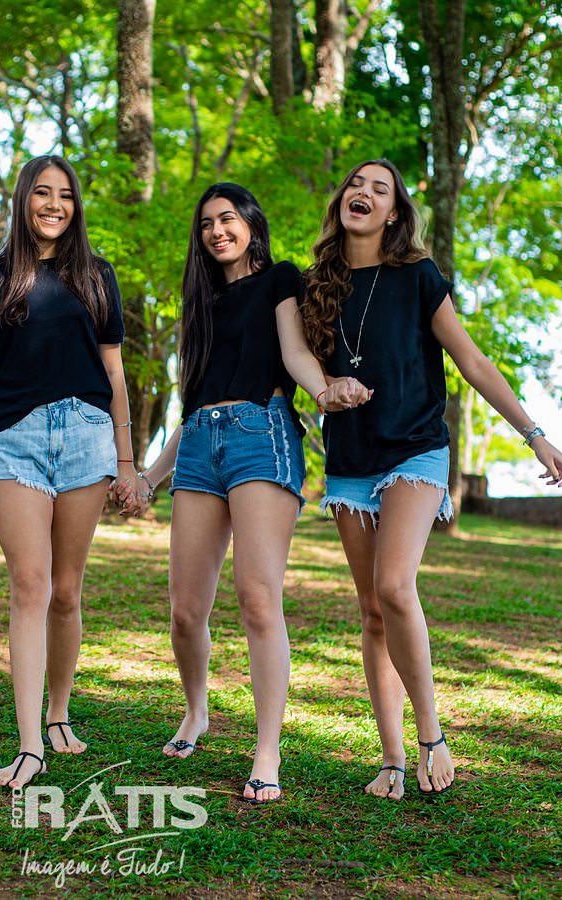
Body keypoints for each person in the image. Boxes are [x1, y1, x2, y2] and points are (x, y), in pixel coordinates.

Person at [299, 159, 562, 799]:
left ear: (394, 212)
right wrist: (328, 389)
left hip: (416, 450)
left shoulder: (418, 276)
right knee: (372, 612)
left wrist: (534, 434)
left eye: (379, 189)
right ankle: (392, 757)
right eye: (355, 184)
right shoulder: (316, 285)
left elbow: (470, 358)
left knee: (395, 586)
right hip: (350, 460)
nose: (363, 193)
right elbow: (302, 367)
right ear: (341, 201)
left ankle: (431, 735)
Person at [138, 183, 349, 805]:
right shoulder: (200, 304)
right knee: (185, 610)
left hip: (263, 434)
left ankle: (267, 748)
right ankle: (196, 711)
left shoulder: (280, 278)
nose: (217, 231)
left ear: (251, 223)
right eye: (207, 223)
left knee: (258, 599)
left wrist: (323, 390)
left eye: (227, 218)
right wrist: (151, 476)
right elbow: (192, 406)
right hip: (200, 444)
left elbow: (295, 351)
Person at [0, 155, 143, 789]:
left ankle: (59, 713)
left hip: (88, 437)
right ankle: (30, 743)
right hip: (16, 441)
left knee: (66, 591)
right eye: (42, 193)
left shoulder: (97, 276)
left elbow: (114, 372)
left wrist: (126, 461)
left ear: (75, 205)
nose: (54, 205)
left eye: (65, 194)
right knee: (29, 586)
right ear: (23, 200)